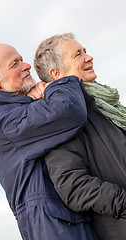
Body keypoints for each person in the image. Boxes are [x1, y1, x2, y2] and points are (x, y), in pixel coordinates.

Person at [0, 43, 97, 240]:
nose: (26, 65)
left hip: (65, 220)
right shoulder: (0, 120)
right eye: (14, 64)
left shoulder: (17, 109)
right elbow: (69, 111)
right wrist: (57, 84)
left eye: (22, 59)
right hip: (55, 227)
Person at [33, 32, 126, 240]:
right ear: (57, 73)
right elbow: (74, 186)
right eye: (77, 54)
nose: (88, 57)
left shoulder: (107, 106)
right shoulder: (61, 120)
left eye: (85, 51)